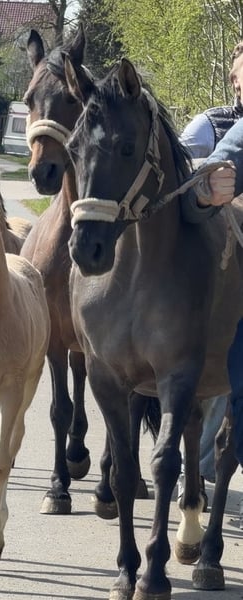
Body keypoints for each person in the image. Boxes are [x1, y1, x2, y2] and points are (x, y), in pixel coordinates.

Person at [177, 42, 243, 508]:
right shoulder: (220, 126)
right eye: (241, 74)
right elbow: (189, 182)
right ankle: (194, 474)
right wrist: (205, 190)